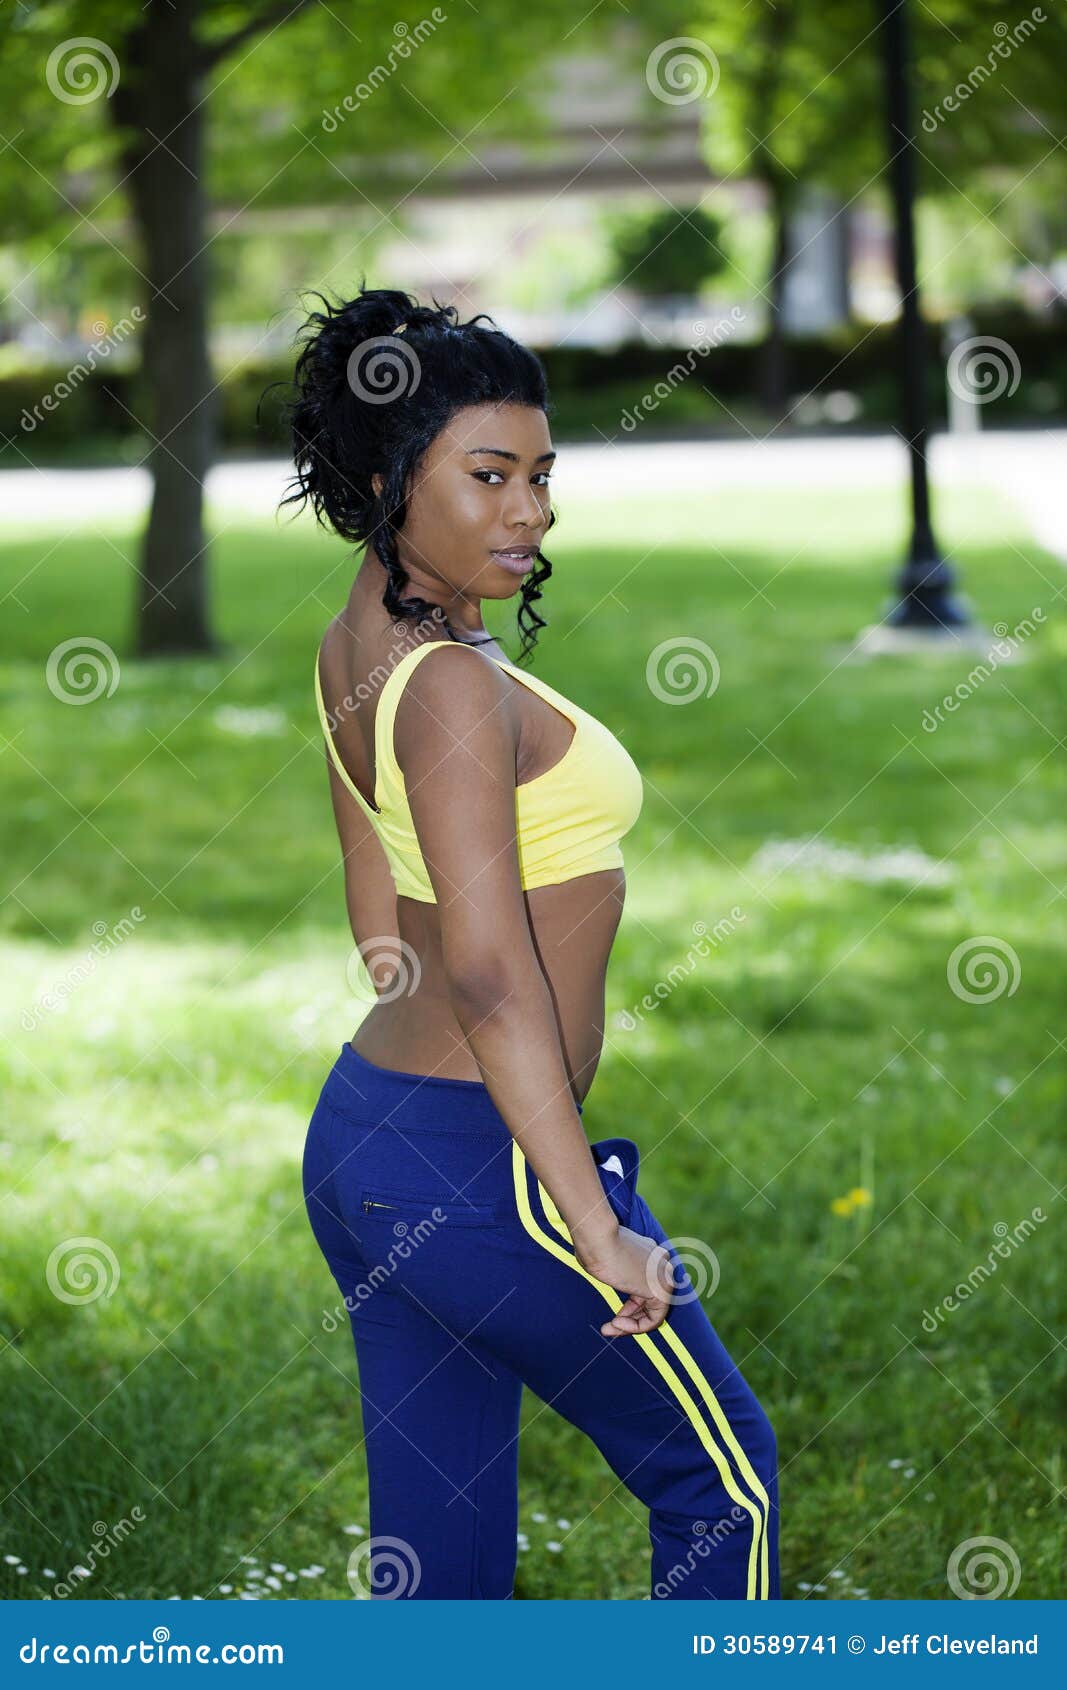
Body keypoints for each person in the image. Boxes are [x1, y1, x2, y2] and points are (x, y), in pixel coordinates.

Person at [280, 285, 780, 1601]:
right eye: (489, 476)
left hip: (367, 1137)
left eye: (542, 476)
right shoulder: (447, 682)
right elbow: (494, 975)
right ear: (392, 477)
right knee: (724, 1482)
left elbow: (375, 907)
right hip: (477, 1160)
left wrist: (414, 1001)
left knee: (438, 1567)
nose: (532, 513)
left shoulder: (365, 639)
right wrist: (589, 1220)